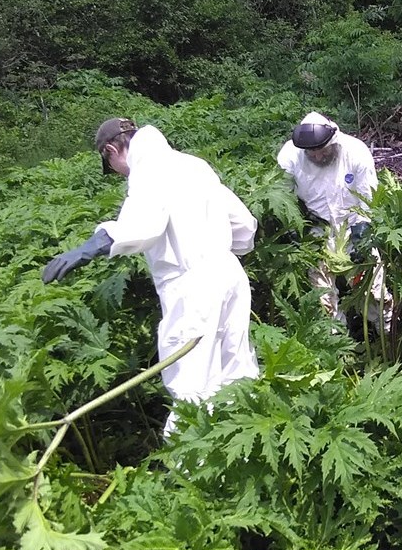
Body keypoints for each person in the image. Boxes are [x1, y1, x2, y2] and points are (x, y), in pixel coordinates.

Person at [42, 117, 260, 437]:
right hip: (229, 275)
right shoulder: (193, 164)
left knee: (190, 388)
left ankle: (188, 478)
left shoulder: (147, 170)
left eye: (112, 164)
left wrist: (94, 245)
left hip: (192, 289)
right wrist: (222, 251)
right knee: (237, 373)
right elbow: (243, 223)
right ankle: (246, 451)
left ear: (113, 150)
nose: (119, 173)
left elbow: (144, 226)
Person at [277, 111, 393, 333]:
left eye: (323, 151)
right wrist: (290, 226)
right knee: (323, 300)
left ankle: (386, 334)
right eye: (312, 153)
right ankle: (339, 347)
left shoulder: (355, 152)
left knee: (373, 291)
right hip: (316, 231)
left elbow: (367, 197)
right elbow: (283, 197)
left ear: (333, 141)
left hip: (354, 228)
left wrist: (363, 234)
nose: (318, 157)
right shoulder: (290, 157)